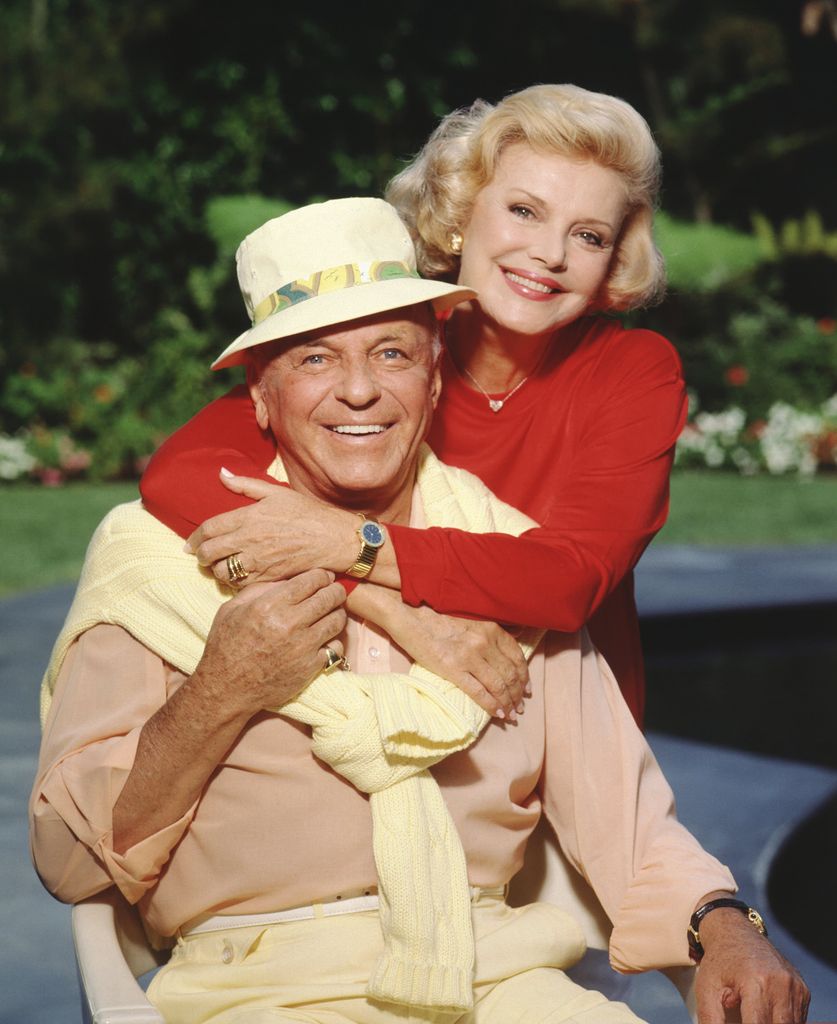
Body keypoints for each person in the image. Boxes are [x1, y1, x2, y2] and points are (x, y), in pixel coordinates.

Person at [31, 200, 808, 1024]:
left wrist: (722, 923)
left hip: (501, 980)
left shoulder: (507, 564)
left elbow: (628, 822)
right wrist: (222, 686)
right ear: (260, 396)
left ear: (433, 379)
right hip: (256, 987)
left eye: (392, 353)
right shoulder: (152, 563)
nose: (359, 390)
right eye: (315, 358)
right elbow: (70, 862)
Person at [139, 83, 686, 728]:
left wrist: (353, 542)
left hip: (560, 725)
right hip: (381, 702)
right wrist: (391, 606)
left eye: (589, 236)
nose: (551, 254)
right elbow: (179, 475)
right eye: (524, 211)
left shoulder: (635, 371)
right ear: (459, 215)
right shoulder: (391, 347)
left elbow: (567, 581)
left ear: (612, 258)